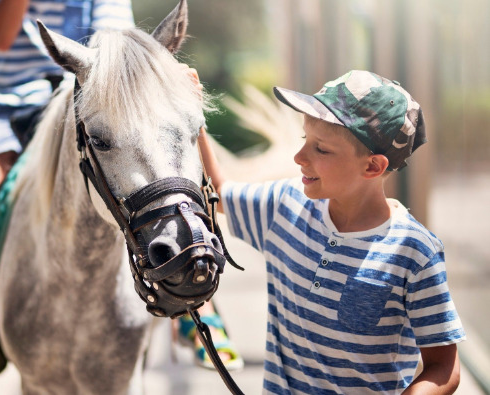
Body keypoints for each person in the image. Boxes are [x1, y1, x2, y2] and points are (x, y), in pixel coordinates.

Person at [197, 69, 466, 394]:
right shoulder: (283, 205)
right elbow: (217, 191)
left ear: (373, 166)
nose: (299, 157)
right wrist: (192, 111)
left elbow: (443, 367)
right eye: (304, 140)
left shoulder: (414, 252)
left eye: (321, 149)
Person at [0, 1, 136, 394]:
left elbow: (114, 45)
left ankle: (196, 304)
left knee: (159, 161)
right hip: (16, 110)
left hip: (87, 102)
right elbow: (0, 37)